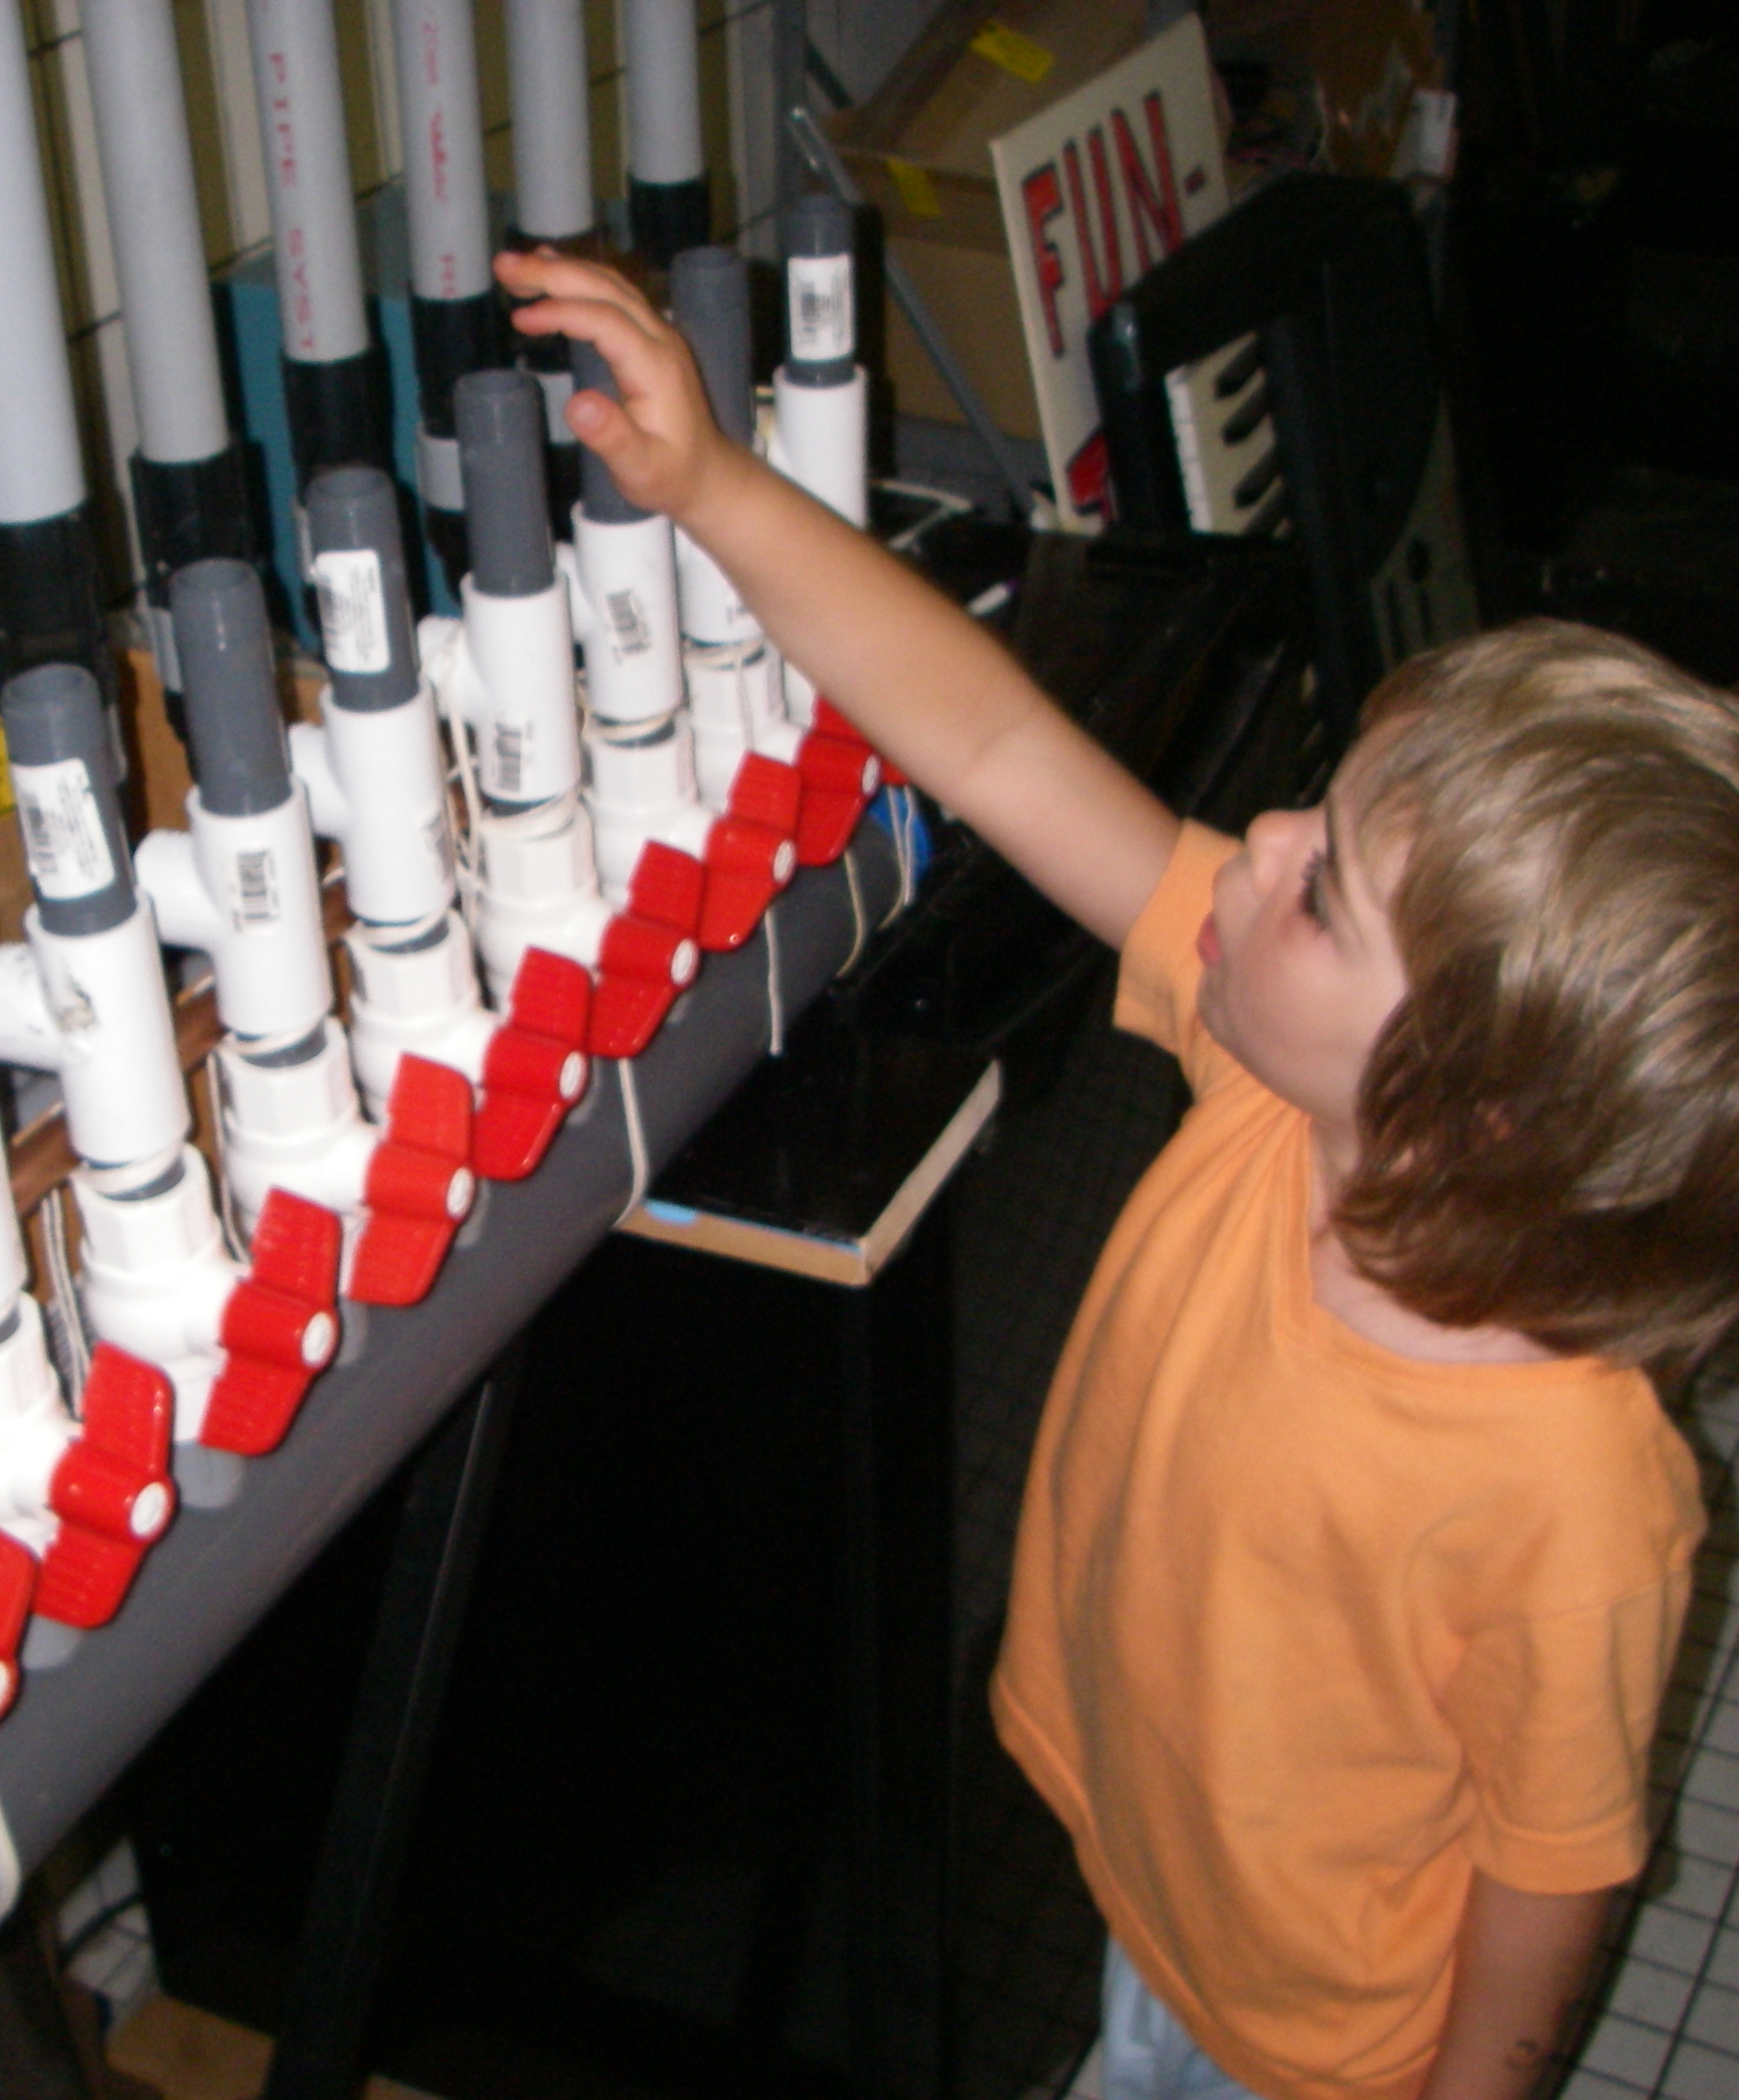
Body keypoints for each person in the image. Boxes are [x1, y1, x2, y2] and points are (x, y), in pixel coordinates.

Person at [494, 245, 1739, 2100]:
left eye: (1326, 893)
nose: (1267, 838)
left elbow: (1551, 1875)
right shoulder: (1286, 1087)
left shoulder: (1576, 1497)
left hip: (1319, 2055)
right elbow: (993, 741)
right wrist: (714, 486)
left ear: (1466, 1110)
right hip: (1167, 1902)